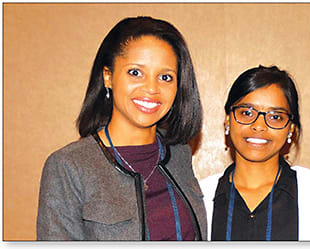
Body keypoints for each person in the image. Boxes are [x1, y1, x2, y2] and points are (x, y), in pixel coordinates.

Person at [37, 16, 206, 241]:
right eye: (136, 72)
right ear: (108, 77)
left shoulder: (179, 153)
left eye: (165, 77)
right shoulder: (69, 166)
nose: (151, 88)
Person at [200, 65, 310, 241]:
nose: (259, 125)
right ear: (228, 121)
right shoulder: (200, 197)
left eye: (275, 116)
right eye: (246, 113)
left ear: (291, 129)